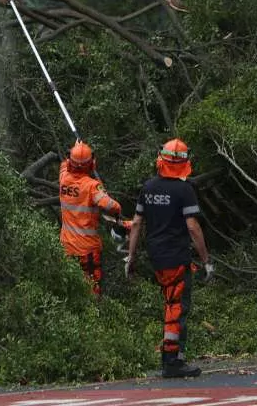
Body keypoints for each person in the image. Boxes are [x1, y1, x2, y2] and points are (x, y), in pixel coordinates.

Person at [125, 138, 211, 379]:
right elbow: (193, 228)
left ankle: (171, 356)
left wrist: (130, 257)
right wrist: (206, 260)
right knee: (176, 307)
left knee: (171, 304)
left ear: (160, 159)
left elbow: (137, 223)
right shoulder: (184, 190)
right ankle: (172, 361)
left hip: (156, 256)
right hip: (175, 255)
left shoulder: (148, 187)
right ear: (185, 162)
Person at [59, 140, 124, 297]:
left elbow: (63, 166)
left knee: (70, 289)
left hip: (66, 247)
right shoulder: (92, 187)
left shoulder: (64, 179)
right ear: (92, 164)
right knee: (91, 289)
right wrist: (104, 192)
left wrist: (76, 149)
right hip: (87, 250)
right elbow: (114, 207)